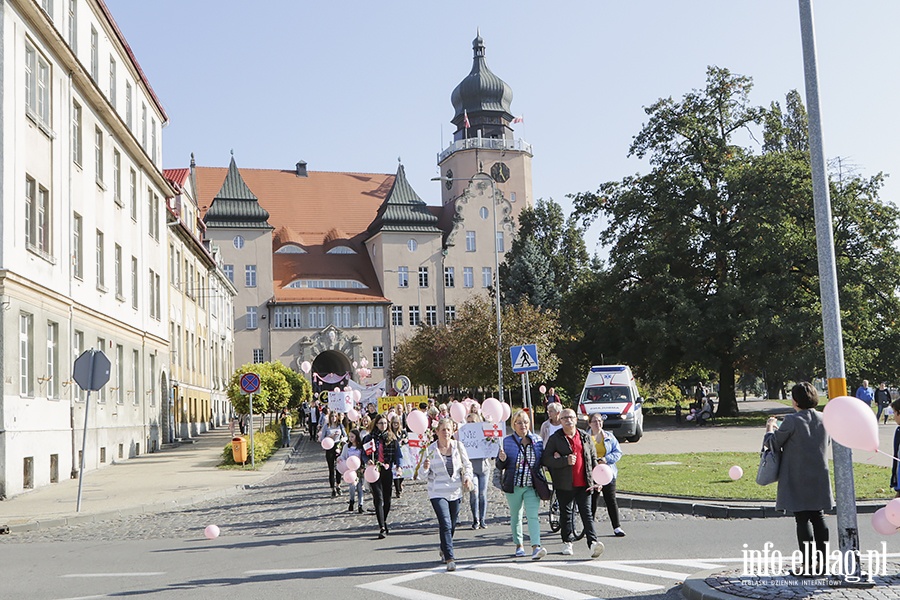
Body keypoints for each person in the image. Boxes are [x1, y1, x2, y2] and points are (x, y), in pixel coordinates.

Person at [765, 382, 833, 577]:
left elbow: (773, 444)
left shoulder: (792, 420)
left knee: (802, 518)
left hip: (797, 474)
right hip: (820, 473)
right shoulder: (823, 418)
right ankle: (823, 562)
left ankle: (808, 563)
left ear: (795, 401)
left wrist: (770, 427)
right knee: (818, 517)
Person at [543, 409, 605, 558]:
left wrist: (598, 478)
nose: (568, 420)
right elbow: (546, 459)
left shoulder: (584, 437)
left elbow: (592, 458)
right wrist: (564, 460)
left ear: (576, 420)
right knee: (566, 513)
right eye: (564, 418)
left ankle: (593, 543)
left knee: (587, 514)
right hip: (564, 483)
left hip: (584, 482)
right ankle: (567, 542)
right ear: (560, 420)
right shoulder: (555, 438)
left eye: (570, 417)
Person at [421, 418, 474, 572]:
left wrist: (467, 477)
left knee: (451, 524)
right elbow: (421, 475)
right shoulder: (430, 450)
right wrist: (425, 467)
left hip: (455, 490)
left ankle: (444, 548)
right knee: (445, 523)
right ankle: (450, 557)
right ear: (437, 432)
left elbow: (467, 465)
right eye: (443, 430)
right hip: (437, 491)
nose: (446, 433)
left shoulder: (458, 446)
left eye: (449, 430)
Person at [496, 409, 548, 561]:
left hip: (532, 485)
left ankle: (536, 546)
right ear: (513, 425)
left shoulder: (537, 441)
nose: (522, 425)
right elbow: (500, 465)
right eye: (519, 423)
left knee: (533, 516)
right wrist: (502, 459)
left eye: (525, 422)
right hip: (514, 485)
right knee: (516, 516)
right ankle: (519, 545)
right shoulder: (507, 441)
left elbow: (541, 461)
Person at [363, 413, 401, 539]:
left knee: (387, 499)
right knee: (378, 498)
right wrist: (367, 460)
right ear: (376, 424)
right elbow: (363, 453)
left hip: (387, 469)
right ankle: (382, 527)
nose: (383, 425)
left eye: (385, 423)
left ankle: (384, 519)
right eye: (380, 423)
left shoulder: (392, 437)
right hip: (374, 470)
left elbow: (397, 454)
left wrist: (398, 466)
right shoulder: (369, 438)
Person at [588, 413, 626, 537]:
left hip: (607, 472)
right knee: (593, 500)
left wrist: (606, 459)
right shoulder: (586, 438)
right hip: (592, 473)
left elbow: (618, 452)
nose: (597, 424)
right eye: (594, 421)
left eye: (599, 421)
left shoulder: (609, 437)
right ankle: (589, 527)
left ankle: (617, 527)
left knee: (611, 499)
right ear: (589, 423)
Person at [465, 412, 490, 529]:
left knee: (482, 494)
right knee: (474, 493)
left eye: (473, 422)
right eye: (468, 422)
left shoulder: (483, 434)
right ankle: (476, 519)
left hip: (483, 467)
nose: (470, 424)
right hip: (471, 468)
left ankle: (483, 518)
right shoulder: (465, 433)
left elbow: (492, 446)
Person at [319, 411, 347, 497]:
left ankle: (338, 485)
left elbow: (345, 436)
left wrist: (342, 439)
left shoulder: (340, 425)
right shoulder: (326, 426)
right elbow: (321, 438)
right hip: (329, 447)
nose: (333, 418)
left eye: (335, 416)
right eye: (332, 417)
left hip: (338, 446)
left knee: (339, 467)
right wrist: (330, 437)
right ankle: (332, 488)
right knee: (331, 469)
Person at [339, 429, 366, 513]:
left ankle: (360, 505)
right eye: (349, 436)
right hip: (350, 470)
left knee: (360, 487)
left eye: (352, 436)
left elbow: (364, 457)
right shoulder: (347, 447)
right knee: (352, 487)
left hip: (359, 469)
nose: (350, 438)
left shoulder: (361, 447)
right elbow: (343, 456)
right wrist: (340, 460)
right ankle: (351, 500)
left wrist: (363, 467)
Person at [389, 415, 408, 498]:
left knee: (403, 471)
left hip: (403, 454)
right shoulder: (390, 433)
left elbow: (408, 441)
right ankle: (397, 490)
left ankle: (400, 484)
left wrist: (405, 441)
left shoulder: (403, 432)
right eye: (394, 423)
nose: (395, 424)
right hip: (394, 454)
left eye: (397, 422)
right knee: (395, 472)